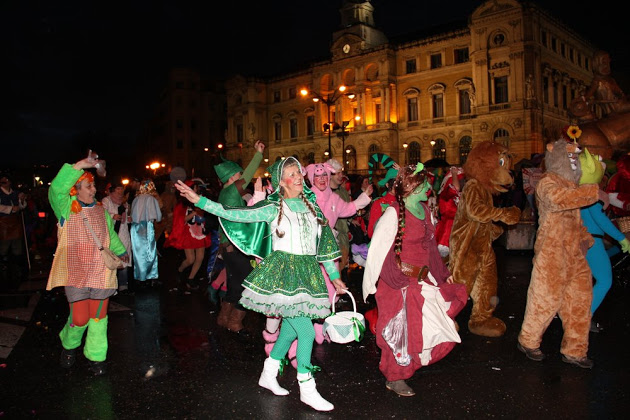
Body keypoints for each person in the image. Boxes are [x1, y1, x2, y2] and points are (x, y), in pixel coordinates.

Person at [174, 156, 346, 412]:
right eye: (291, 174)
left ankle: (268, 374)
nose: (298, 177)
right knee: (307, 332)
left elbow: (325, 246)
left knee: (288, 331)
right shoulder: (272, 207)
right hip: (284, 276)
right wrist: (199, 200)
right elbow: (232, 212)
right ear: (280, 182)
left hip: (308, 274)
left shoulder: (312, 207)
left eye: (299, 172)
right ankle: (307, 389)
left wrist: (334, 276)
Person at [362, 163, 467, 397]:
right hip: (396, 284)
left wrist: (441, 274)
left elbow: (429, 246)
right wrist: (396, 280)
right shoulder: (392, 214)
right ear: (413, 186)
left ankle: (409, 365)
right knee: (398, 331)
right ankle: (394, 376)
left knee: (420, 329)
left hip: (421, 280)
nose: (430, 185)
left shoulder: (424, 211)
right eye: (425, 182)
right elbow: (381, 251)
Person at [517, 138, 606, 369]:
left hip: (574, 254)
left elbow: (575, 220)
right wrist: (593, 192)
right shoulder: (547, 183)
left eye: (576, 158)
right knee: (544, 302)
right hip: (551, 253)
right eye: (570, 158)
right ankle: (528, 341)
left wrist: (585, 240)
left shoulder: (572, 187)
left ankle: (575, 351)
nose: (574, 163)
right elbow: (559, 201)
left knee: (579, 303)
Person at [46, 157, 129, 375]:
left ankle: (96, 357)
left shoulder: (101, 211)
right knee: (80, 318)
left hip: (101, 272)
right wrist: (78, 166)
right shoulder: (65, 209)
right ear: (75, 190)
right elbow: (56, 189)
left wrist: (121, 252)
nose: (94, 189)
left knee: (99, 318)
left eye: (93, 185)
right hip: (76, 273)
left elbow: (110, 236)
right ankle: (69, 344)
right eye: (88, 186)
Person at [212, 140, 265, 332]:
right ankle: (235, 321)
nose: (242, 177)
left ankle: (223, 318)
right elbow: (250, 174)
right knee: (250, 285)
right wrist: (258, 153)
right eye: (239, 174)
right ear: (232, 176)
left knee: (235, 284)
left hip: (228, 249)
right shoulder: (231, 191)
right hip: (236, 248)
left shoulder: (223, 194)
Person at [303, 160, 372, 302]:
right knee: (312, 289)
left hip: (329, 247)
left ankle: (326, 318)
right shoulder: (307, 198)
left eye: (324, 175)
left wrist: (364, 197)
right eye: (317, 176)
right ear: (311, 179)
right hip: (309, 249)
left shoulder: (334, 198)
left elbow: (348, 208)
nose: (322, 179)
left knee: (330, 285)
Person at [577, 149, 630, 332]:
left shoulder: (578, 192)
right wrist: (621, 238)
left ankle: (574, 315)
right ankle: (583, 319)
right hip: (592, 241)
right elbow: (600, 220)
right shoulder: (591, 194)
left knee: (582, 281)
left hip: (583, 240)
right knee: (605, 280)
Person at [164, 179, 211, 292]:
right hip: (188, 233)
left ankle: (190, 279)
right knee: (190, 259)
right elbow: (181, 220)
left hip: (200, 232)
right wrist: (195, 213)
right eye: (195, 187)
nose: (197, 189)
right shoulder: (182, 204)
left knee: (200, 258)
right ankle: (180, 270)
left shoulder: (199, 200)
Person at [130, 179, 162, 287]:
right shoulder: (150, 199)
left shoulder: (136, 199)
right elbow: (155, 216)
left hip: (135, 227)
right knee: (150, 252)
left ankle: (140, 277)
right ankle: (150, 276)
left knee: (138, 253)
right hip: (146, 226)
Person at [101, 183, 132, 293]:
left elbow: (126, 215)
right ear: (113, 190)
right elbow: (102, 213)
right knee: (112, 258)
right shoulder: (106, 201)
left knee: (124, 258)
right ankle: (111, 285)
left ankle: (123, 285)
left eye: (121, 189)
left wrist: (128, 218)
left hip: (123, 233)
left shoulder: (124, 203)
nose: (120, 191)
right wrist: (112, 216)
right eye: (118, 188)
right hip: (112, 232)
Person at [0, 173, 28, 289]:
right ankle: (3, 271)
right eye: (2, 181)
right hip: (3, 223)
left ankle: (17, 271)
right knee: (4, 247)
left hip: (15, 222)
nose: (4, 182)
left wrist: (21, 201)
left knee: (17, 246)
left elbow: (22, 206)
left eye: (6, 180)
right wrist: (11, 209)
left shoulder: (15, 193)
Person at [434, 166, 464, 261]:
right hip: (447, 231)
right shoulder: (446, 192)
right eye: (461, 179)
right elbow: (455, 187)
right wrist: (454, 173)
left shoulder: (459, 193)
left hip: (457, 227)